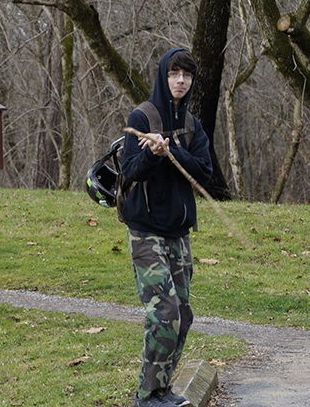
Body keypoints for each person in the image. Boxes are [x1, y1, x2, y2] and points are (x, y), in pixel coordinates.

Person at [120, 48, 213, 407]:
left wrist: (174, 150)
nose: (180, 81)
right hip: (146, 231)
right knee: (165, 313)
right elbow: (130, 170)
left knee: (184, 315)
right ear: (164, 76)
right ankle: (147, 395)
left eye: (187, 76)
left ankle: (164, 389)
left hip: (179, 232)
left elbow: (204, 174)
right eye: (175, 74)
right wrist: (152, 153)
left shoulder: (192, 125)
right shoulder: (141, 117)